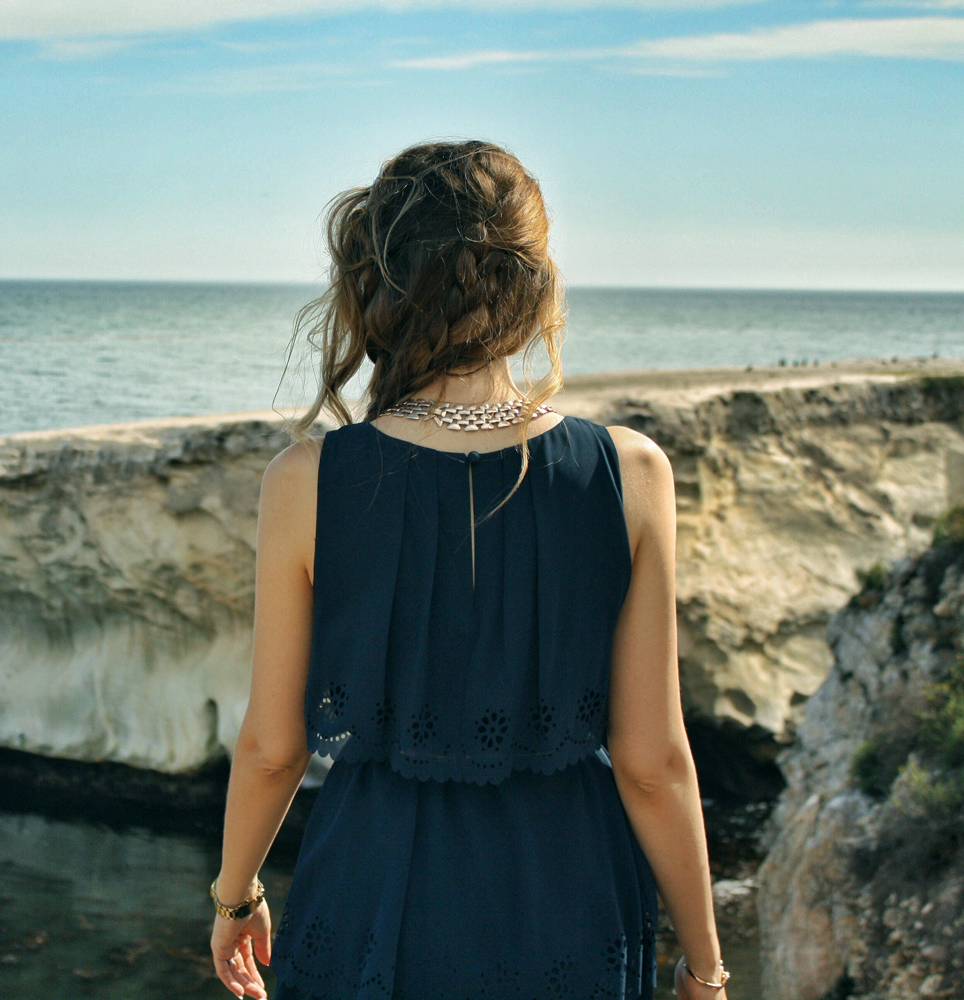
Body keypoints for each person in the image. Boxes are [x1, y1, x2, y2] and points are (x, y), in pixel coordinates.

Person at [208, 139, 729, 1000]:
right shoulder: (631, 474)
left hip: (372, 895)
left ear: (377, 285)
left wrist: (237, 895)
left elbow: (272, 749)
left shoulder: (306, 482)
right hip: (571, 898)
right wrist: (705, 969)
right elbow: (652, 762)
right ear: (532, 285)